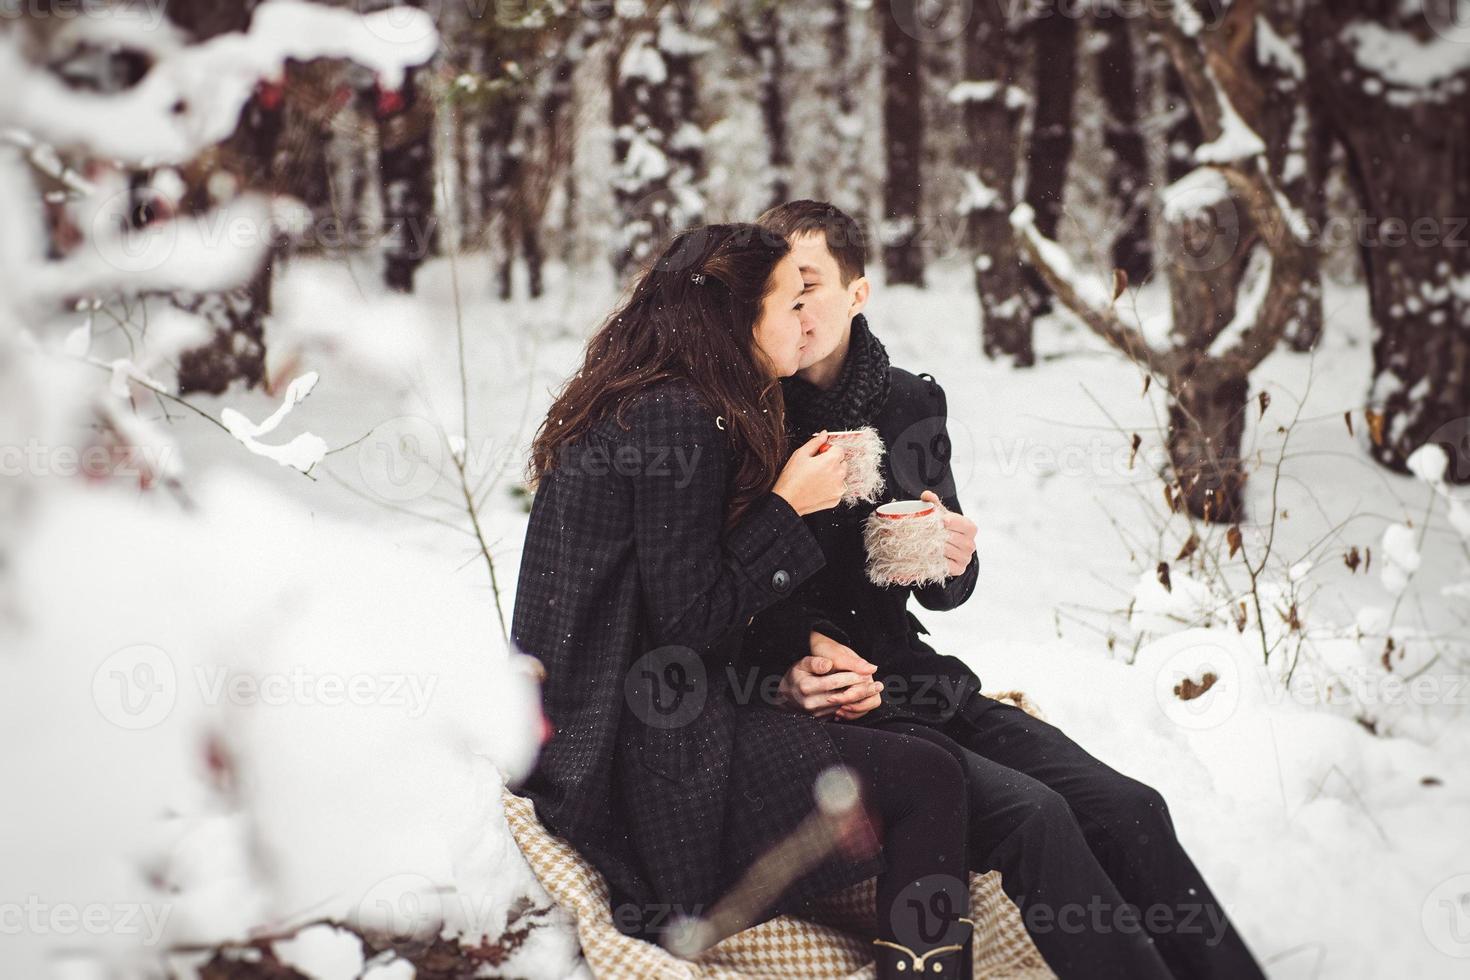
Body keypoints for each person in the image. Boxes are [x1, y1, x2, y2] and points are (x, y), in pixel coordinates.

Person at [742, 200, 1270, 980]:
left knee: (1131, 808)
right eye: (775, 284)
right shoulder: (745, 410)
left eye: (809, 283)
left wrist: (951, 556)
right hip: (814, 695)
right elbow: (720, 588)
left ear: (859, 294)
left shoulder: (908, 402)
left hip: (910, 675)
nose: (790, 304)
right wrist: (788, 658)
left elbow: (945, 590)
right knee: (1038, 816)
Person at [511, 224, 976, 978]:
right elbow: (689, 618)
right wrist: (789, 507)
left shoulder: (659, 397)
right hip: (624, 754)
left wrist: (801, 653)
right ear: (737, 318)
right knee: (929, 778)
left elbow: (687, 596)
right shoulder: (677, 417)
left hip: (623, 716)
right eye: (791, 305)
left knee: (921, 758)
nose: (806, 325)